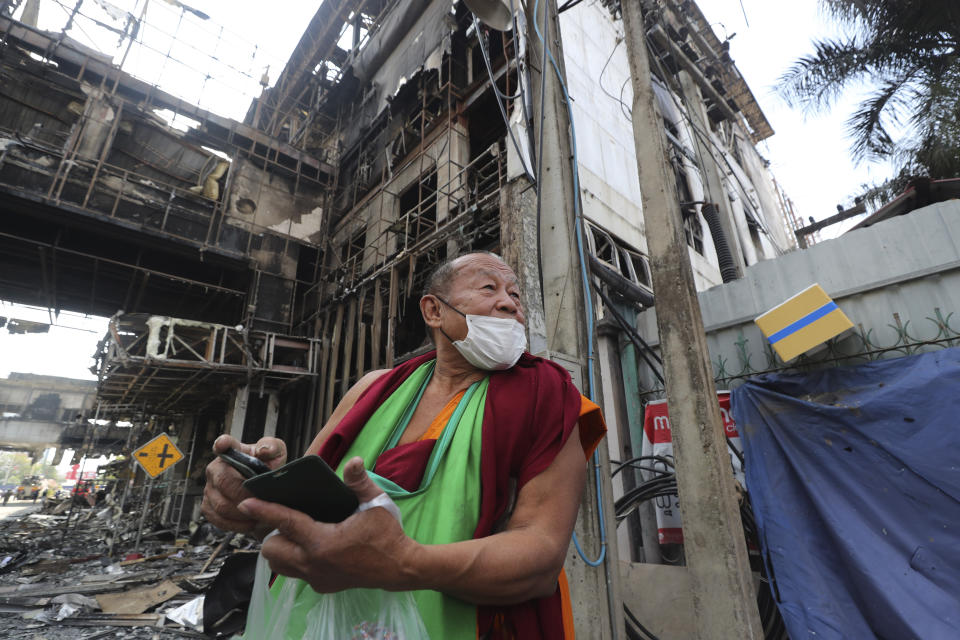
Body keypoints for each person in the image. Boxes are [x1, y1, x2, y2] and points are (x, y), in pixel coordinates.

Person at [202, 252, 605, 639]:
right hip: (315, 621)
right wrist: (257, 499)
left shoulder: (546, 396)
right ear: (434, 311)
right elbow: (302, 519)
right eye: (489, 288)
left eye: (515, 296)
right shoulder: (373, 389)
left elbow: (541, 555)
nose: (509, 305)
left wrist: (404, 563)